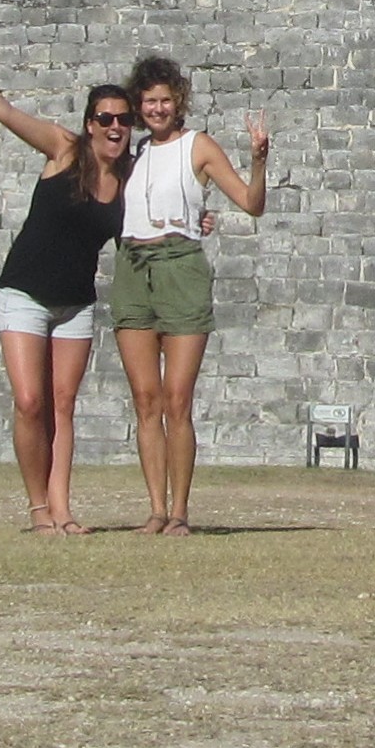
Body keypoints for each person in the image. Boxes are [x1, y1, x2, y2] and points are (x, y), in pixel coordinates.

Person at [0, 38, 130, 533]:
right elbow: (4, 112)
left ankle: (62, 508)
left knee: (63, 406)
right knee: (30, 401)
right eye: (105, 118)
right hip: (24, 292)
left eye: (122, 119)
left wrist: (196, 221)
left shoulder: (127, 180)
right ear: (89, 123)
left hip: (75, 303)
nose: (115, 127)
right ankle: (37, 508)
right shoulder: (63, 149)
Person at [112, 53, 267, 535]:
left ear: (178, 102)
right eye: (149, 101)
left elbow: (251, 203)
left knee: (177, 399)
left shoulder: (197, 146)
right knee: (145, 400)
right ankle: (155, 509)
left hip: (180, 267)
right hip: (133, 268)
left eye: (165, 100)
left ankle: (180, 512)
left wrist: (259, 161)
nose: (157, 109)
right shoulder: (131, 154)